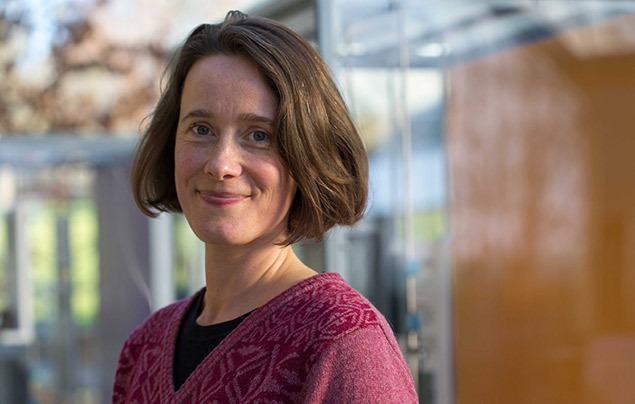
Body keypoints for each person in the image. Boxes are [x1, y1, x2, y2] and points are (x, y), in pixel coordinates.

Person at [113, 10, 418, 403]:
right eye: (201, 129)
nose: (221, 163)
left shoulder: (343, 342)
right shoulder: (144, 349)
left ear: (308, 156)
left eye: (259, 135)